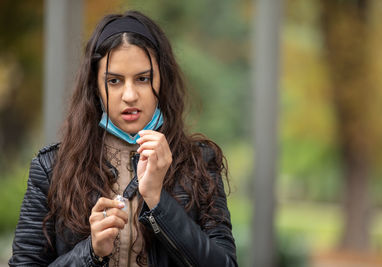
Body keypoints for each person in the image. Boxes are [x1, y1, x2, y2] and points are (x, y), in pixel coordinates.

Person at [9, 10, 237, 267]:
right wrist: (91, 252)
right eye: (115, 81)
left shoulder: (199, 162)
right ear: (95, 86)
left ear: (163, 80)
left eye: (143, 78)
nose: (129, 95)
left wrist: (158, 201)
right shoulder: (51, 168)